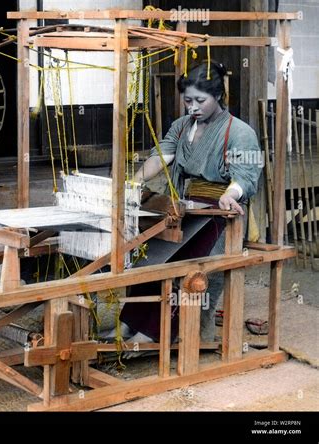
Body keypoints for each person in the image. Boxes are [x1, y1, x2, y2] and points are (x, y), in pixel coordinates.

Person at [112, 60, 262, 357]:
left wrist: (230, 195)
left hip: (220, 217)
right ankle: (128, 325)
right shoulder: (181, 127)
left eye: (200, 100)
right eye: (187, 100)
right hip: (185, 209)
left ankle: (153, 333)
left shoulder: (239, 132)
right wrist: (132, 183)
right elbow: (161, 157)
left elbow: (245, 176)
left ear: (218, 96)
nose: (193, 107)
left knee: (183, 263)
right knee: (153, 254)